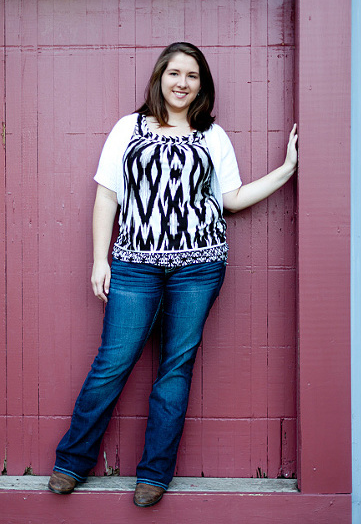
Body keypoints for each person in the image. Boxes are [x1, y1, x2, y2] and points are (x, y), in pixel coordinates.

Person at [47, 42, 298, 507]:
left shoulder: (212, 136)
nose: (182, 83)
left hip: (199, 266)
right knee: (112, 363)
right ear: (160, 77)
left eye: (193, 76)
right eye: (175, 73)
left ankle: (154, 474)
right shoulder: (129, 128)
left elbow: (232, 197)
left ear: (202, 85)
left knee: (174, 369)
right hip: (134, 265)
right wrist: (100, 261)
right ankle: (71, 463)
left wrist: (286, 170)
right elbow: (108, 196)